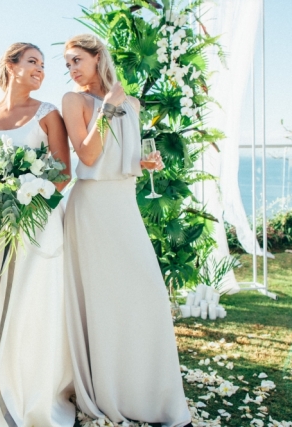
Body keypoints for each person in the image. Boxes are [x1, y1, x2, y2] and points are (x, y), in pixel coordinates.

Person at [61, 34, 191, 426]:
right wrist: (106, 110)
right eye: (67, 63)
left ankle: (150, 392)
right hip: (90, 206)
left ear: (97, 56)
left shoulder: (131, 103)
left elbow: (125, 157)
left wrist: (145, 162)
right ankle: (108, 389)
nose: (71, 69)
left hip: (124, 203)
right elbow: (88, 155)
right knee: (102, 298)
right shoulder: (74, 101)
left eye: (77, 60)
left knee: (146, 292)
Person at [0, 42, 75, 427]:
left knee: (36, 303)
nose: (40, 70)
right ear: (10, 65)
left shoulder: (48, 114)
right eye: (33, 62)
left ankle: (37, 392)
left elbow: (64, 173)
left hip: (40, 222)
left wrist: (35, 211)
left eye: (43, 66)